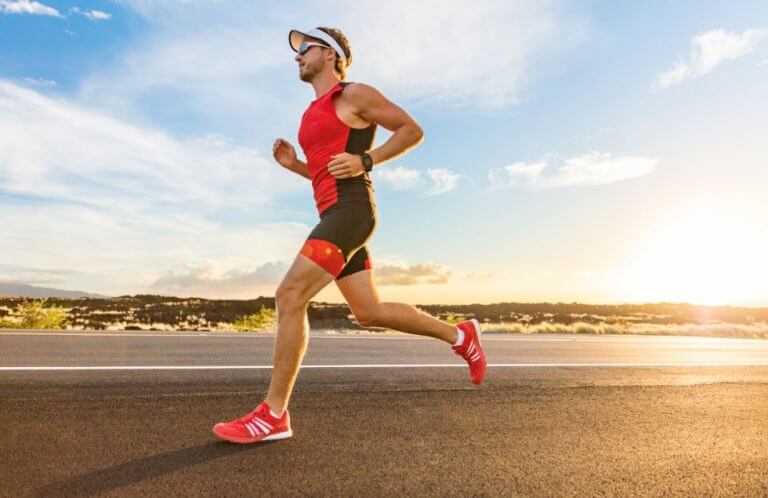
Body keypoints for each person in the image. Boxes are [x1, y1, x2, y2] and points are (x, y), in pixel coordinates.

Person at [213, 26, 486, 444]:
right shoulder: (310, 114)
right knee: (369, 312)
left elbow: (411, 130)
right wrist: (295, 167)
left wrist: (367, 159)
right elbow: (325, 172)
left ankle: (273, 414)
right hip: (336, 213)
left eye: (304, 48)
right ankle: (460, 335)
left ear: (329, 53)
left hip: (351, 212)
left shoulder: (354, 94)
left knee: (289, 296)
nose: (297, 56)